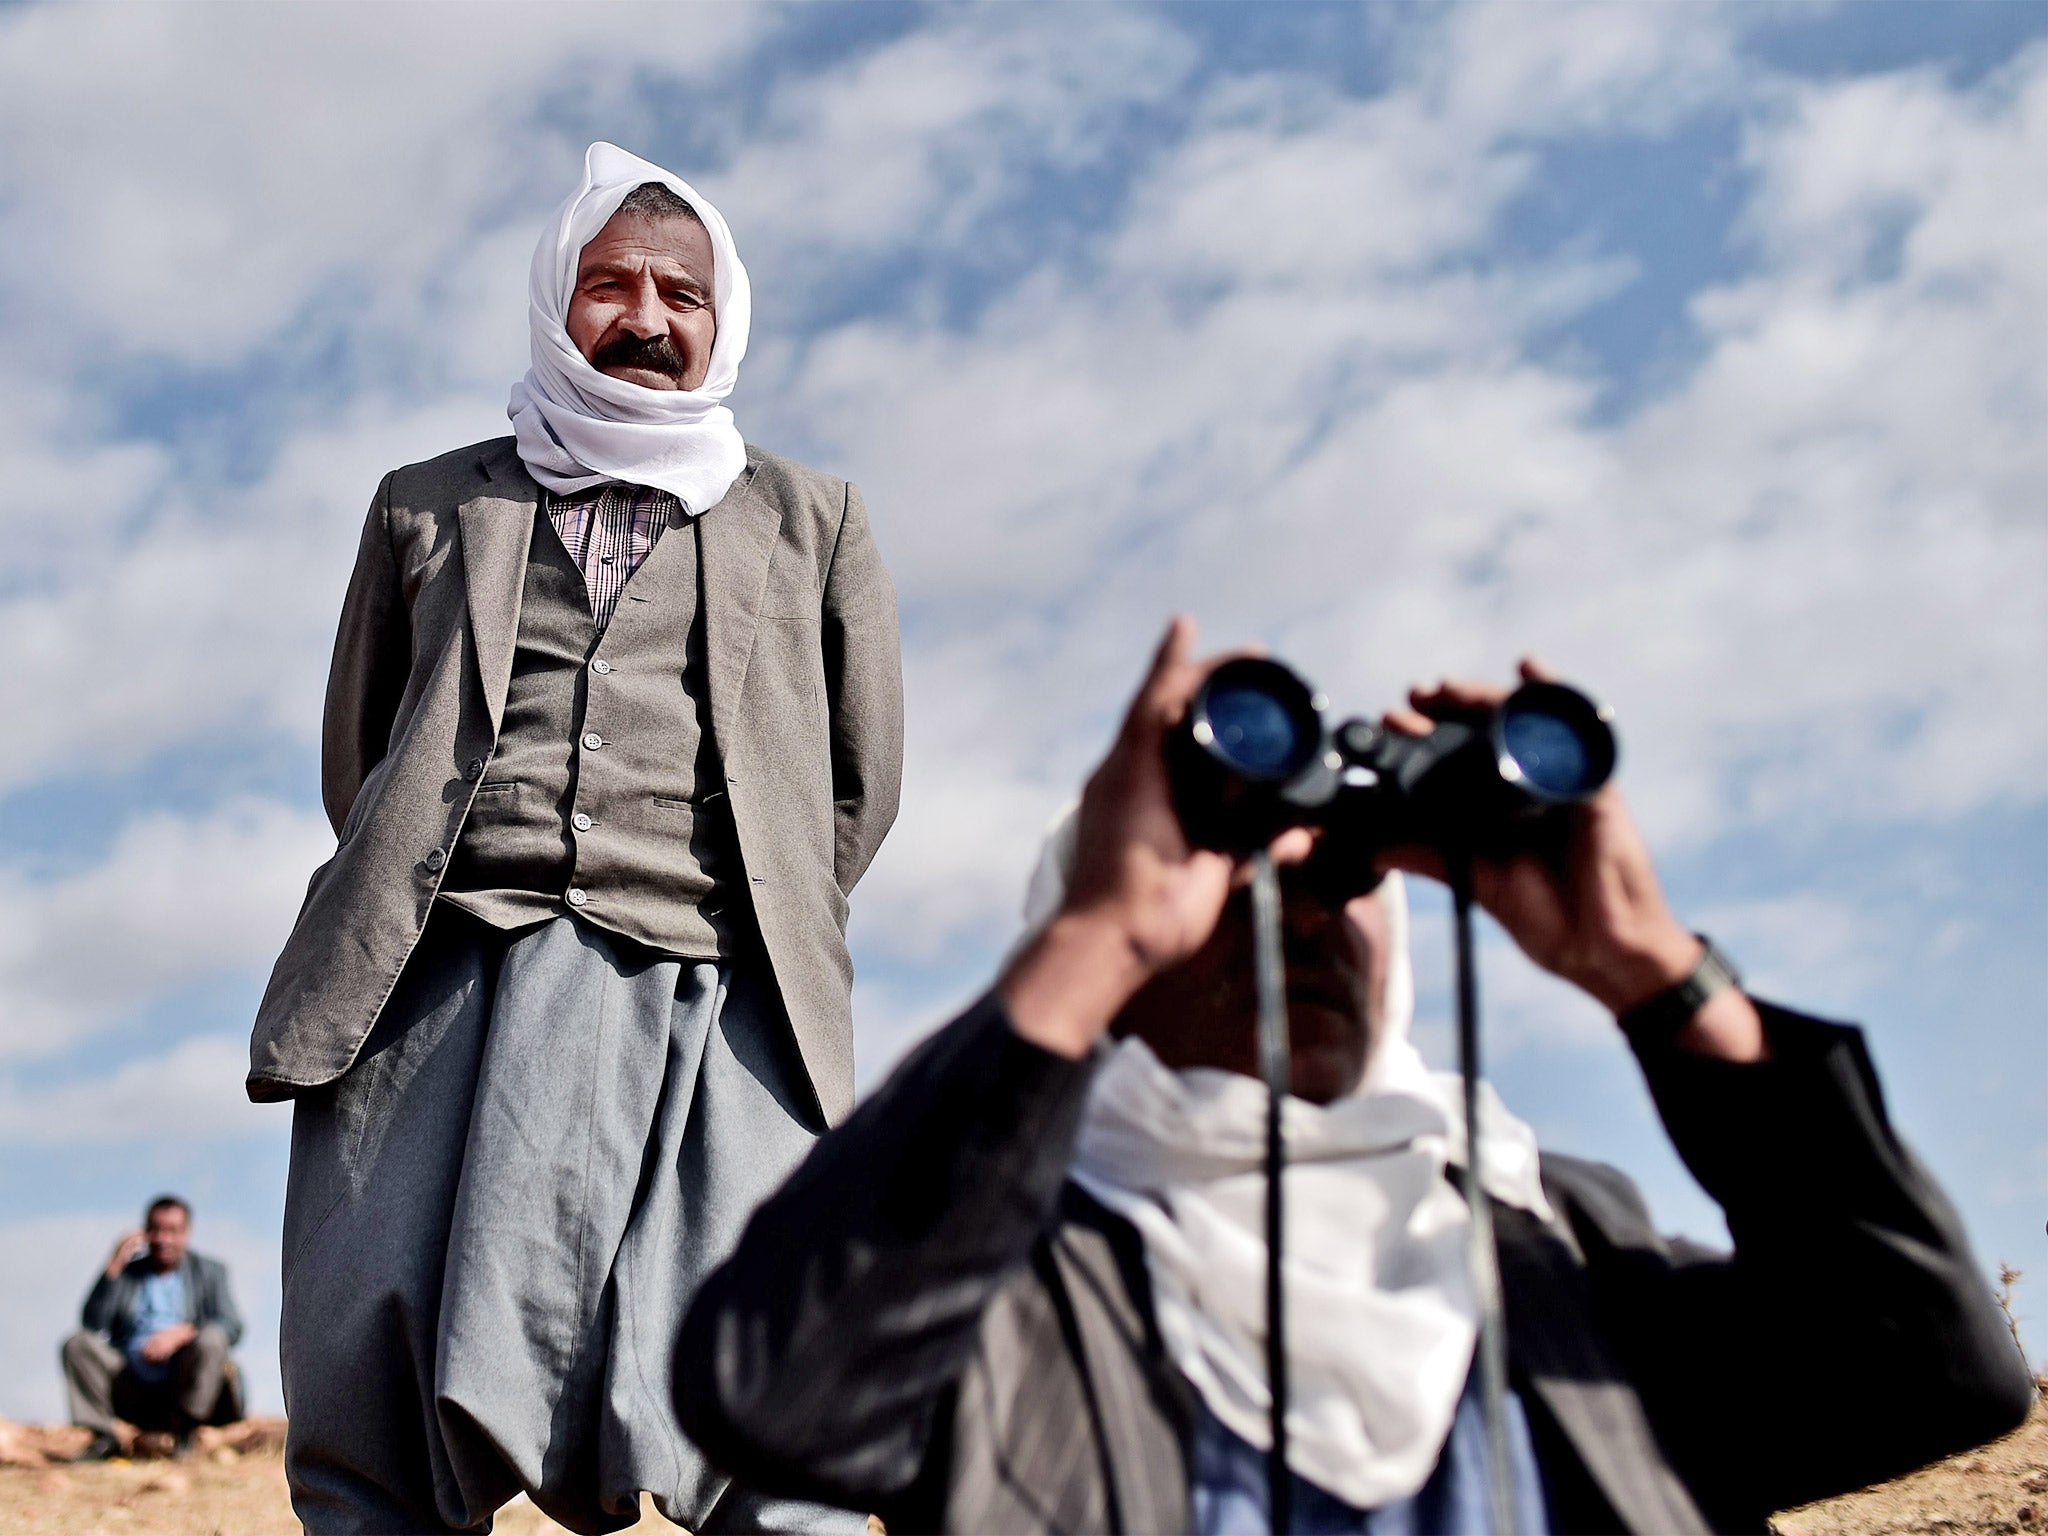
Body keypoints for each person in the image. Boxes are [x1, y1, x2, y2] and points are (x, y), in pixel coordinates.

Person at [676, 617, 2035, 1534]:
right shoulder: (1008, 1276)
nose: (1314, 911)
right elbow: (772, 1389)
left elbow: (1931, 1372)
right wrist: (1096, 940)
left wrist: (1654, 969)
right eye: (1248, 870)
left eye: (1350, 878)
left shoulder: (1558, 1249)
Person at [247, 142, 901, 1534]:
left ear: (724, 324)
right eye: (613, 285)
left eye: (683, 294)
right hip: (438, 984)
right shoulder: (429, 503)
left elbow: (857, 783)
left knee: (777, 1407)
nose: (649, 320)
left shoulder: (812, 519)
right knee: (372, 1396)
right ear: (560, 301)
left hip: (718, 996)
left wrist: (728, 896)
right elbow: (358, 759)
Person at [61, 1196, 245, 1461]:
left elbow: (232, 1326)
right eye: (156, 1230)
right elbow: (92, 1322)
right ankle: (104, 1438)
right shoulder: (127, 1273)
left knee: (213, 1338)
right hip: (131, 1382)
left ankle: (185, 1433)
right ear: (145, 1231)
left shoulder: (210, 1272)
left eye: (172, 1230)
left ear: (186, 1233)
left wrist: (182, 1334)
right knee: (77, 1344)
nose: (163, 1238)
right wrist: (113, 1266)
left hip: (184, 1381)